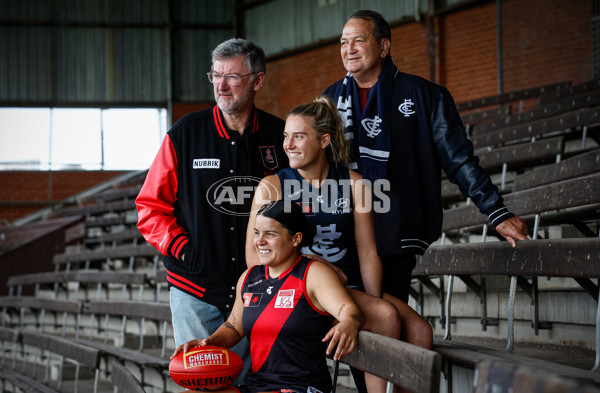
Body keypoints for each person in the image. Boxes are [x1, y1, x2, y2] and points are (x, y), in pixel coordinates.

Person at [322, 10, 529, 305]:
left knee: (388, 322)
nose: (349, 49)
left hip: (395, 231)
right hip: (341, 232)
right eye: (343, 42)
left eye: (358, 40)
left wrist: (496, 212)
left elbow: (459, 160)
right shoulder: (328, 101)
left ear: (383, 47)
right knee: (346, 323)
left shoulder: (425, 95)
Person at [245, 96, 431, 393]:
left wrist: (371, 301)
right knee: (386, 317)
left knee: (420, 330)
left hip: (350, 286)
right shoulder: (273, 186)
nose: (287, 145)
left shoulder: (355, 183)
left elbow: (368, 251)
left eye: (298, 136)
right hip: (301, 290)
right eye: (285, 136)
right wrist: (315, 268)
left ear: (323, 141)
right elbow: (254, 259)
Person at [136, 38, 288, 382]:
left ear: (258, 81)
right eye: (215, 75)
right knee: (205, 386)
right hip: (195, 290)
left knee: (257, 386)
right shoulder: (184, 135)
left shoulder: (281, 138)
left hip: (261, 292)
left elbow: (303, 203)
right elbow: (149, 207)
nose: (221, 85)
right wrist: (186, 251)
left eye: (232, 77)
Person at [172, 200, 365, 393]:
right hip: (259, 386)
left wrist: (350, 322)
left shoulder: (313, 274)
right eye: (257, 232)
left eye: (270, 234)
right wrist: (209, 342)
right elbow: (233, 326)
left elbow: (350, 311)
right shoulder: (249, 277)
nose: (259, 241)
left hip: (302, 387)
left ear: (296, 239)